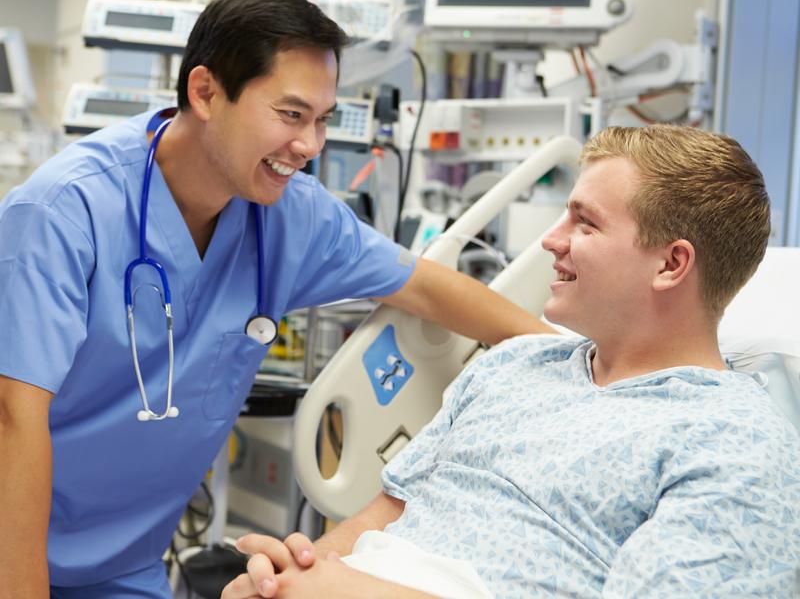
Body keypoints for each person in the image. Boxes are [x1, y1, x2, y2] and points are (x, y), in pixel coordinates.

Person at [0, 0, 553, 597]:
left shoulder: (289, 216)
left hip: (123, 566)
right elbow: (13, 419)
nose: (310, 143)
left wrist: (572, 362)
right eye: (291, 114)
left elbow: (422, 285)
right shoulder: (61, 214)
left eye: (322, 119)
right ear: (207, 92)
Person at [222, 125, 800, 598]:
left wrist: (345, 593)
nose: (551, 239)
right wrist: (292, 570)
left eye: (585, 221)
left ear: (671, 265)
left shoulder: (735, 445)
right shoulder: (512, 367)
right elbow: (382, 515)